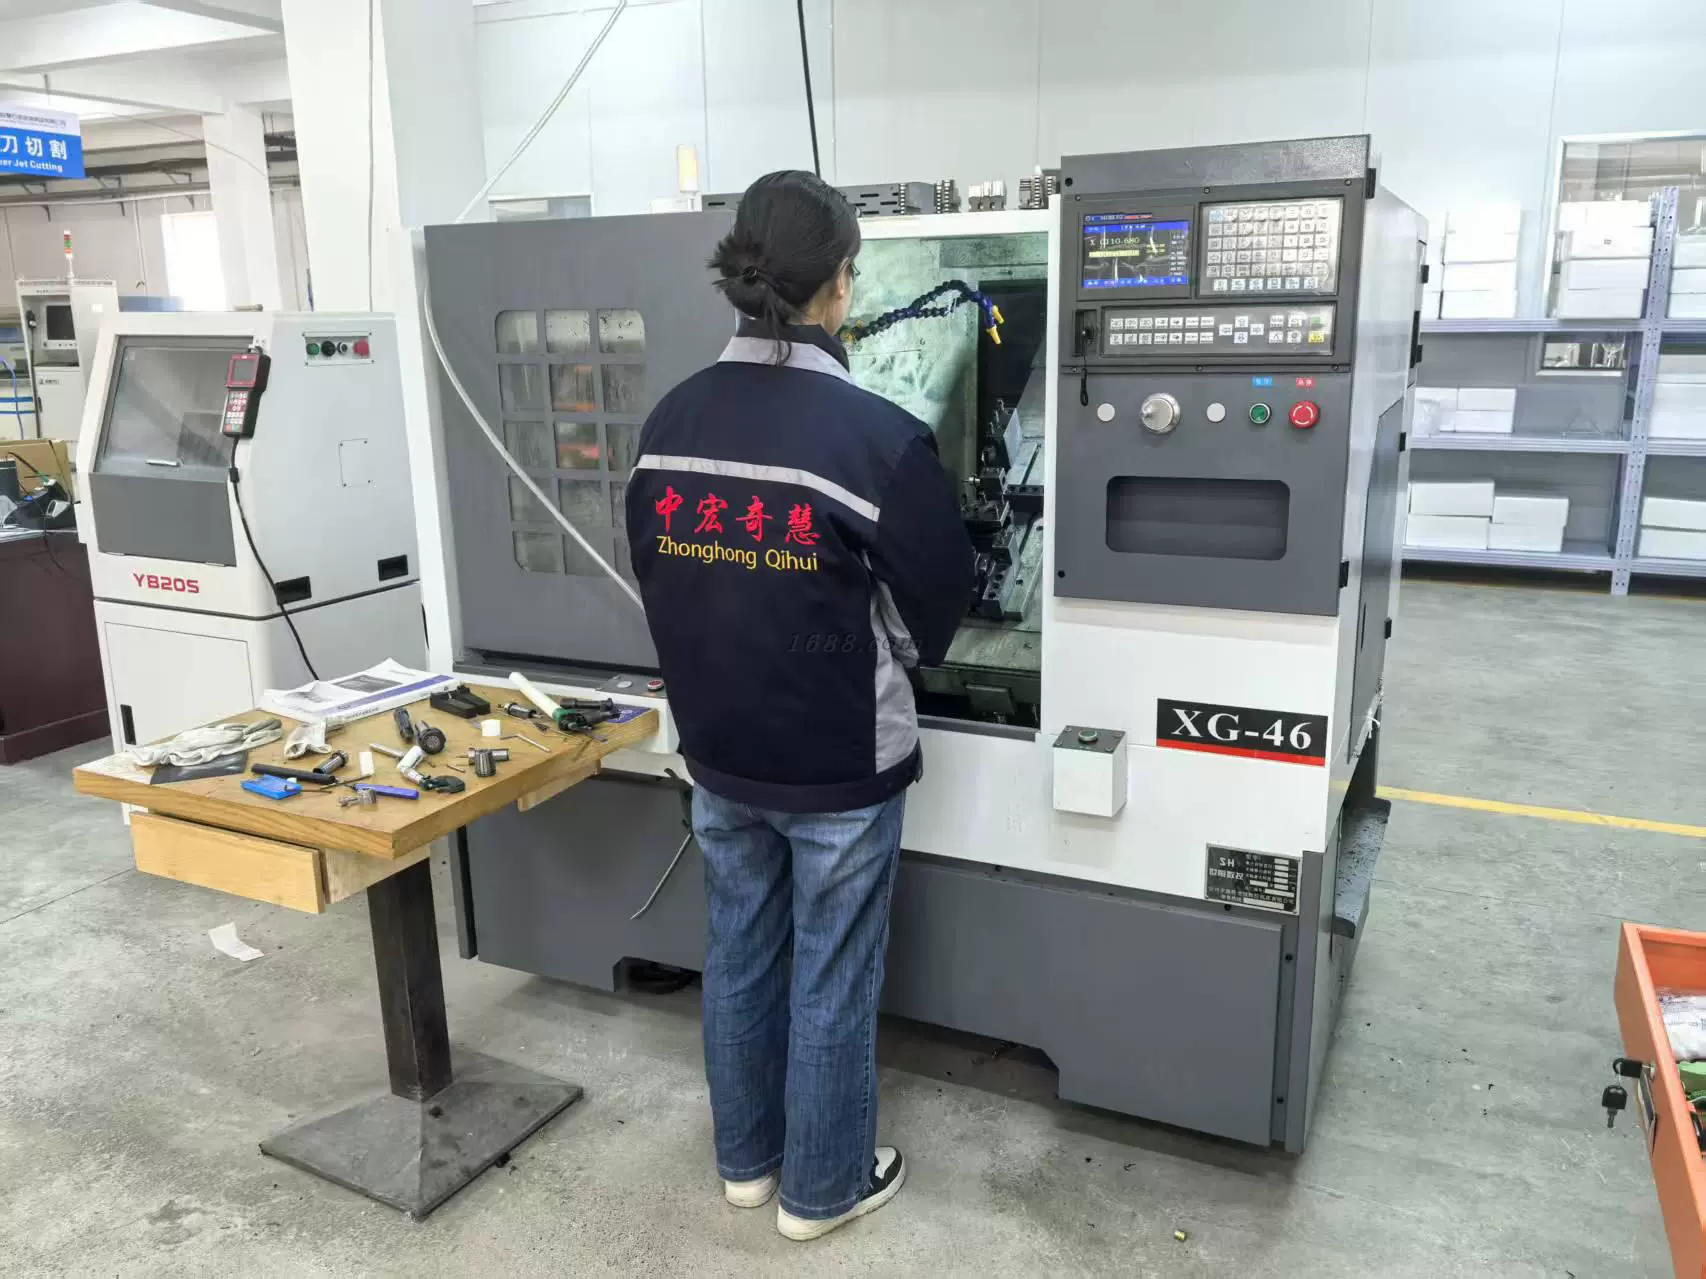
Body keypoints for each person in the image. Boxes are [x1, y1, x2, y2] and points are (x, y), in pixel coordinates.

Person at [624, 170, 973, 1241]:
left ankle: (746, 1164)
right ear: (840, 285)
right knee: (831, 973)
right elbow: (940, 599)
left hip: (720, 752)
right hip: (837, 766)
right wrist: (880, 650)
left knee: (738, 953)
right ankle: (822, 1189)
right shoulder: (874, 437)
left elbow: (658, 573)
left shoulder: (669, 420)